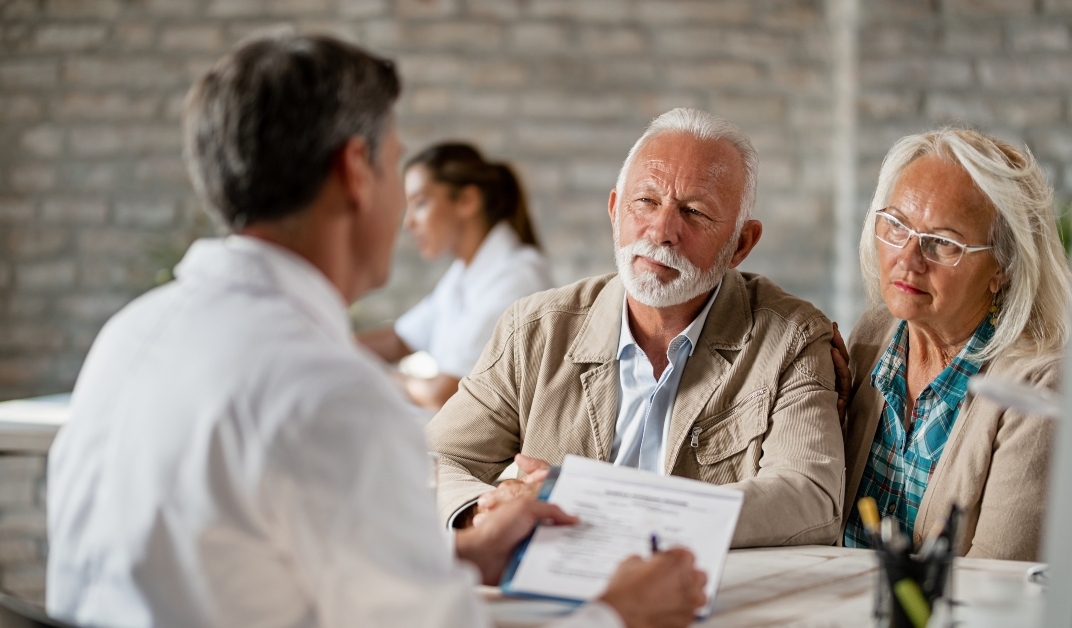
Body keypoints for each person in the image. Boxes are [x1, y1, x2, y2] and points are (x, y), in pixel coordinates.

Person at [46, 33, 706, 628]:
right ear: (354, 172)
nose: (405, 211)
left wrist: (461, 556)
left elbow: (246, 572)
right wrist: (623, 615)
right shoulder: (330, 395)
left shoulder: (129, 336)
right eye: (394, 166)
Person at [427, 108, 845, 549]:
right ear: (614, 211)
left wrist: (605, 507)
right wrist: (484, 511)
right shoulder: (534, 331)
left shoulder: (791, 338)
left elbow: (810, 498)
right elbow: (433, 459)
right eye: (645, 202)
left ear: (741, 244)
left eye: (695, 211)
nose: (662, 230)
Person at [833, 128, 1072, 561]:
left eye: (943, 242)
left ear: (1003, 265)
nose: (908, 259)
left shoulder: (1039, 385)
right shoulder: (873, 336)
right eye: (897, 224)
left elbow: (995, 583)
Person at [357, 143, 553, 411]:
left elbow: (442, 394)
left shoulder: (516, 279)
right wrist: (328, 344)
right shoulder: (463, 274)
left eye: (420, 203)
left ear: (466, 201)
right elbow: (400, 339)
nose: (409, 223)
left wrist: (360, 373)